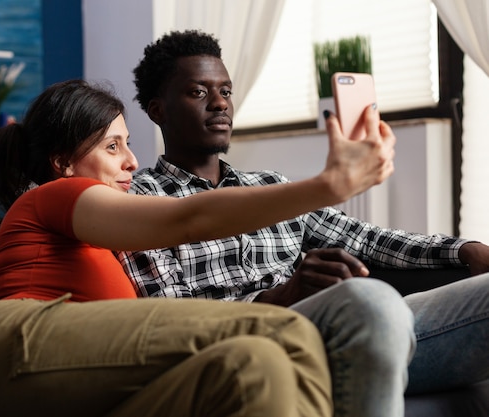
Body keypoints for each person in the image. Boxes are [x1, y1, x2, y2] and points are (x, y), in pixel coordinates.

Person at [0, 78, 397, 417]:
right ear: (62, 163)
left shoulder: (109, 245)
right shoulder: (52, 194)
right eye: (112, 146)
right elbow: (188, 218)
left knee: (252, 366)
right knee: (285, 332)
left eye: (129, 143)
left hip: (72, 389)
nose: (132, 161)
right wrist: (327, 186)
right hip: (9, 347)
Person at [118, 30, 489, 417]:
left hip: (350, 332)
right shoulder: (140, 199)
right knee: (369, 299)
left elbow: (369, 240)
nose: (219, 104)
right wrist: (285, 295)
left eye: (225, 91)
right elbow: (171, 317)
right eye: (198, 92)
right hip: (261, 346)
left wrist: (465, 250)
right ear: (158, 110)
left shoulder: (270, 187)